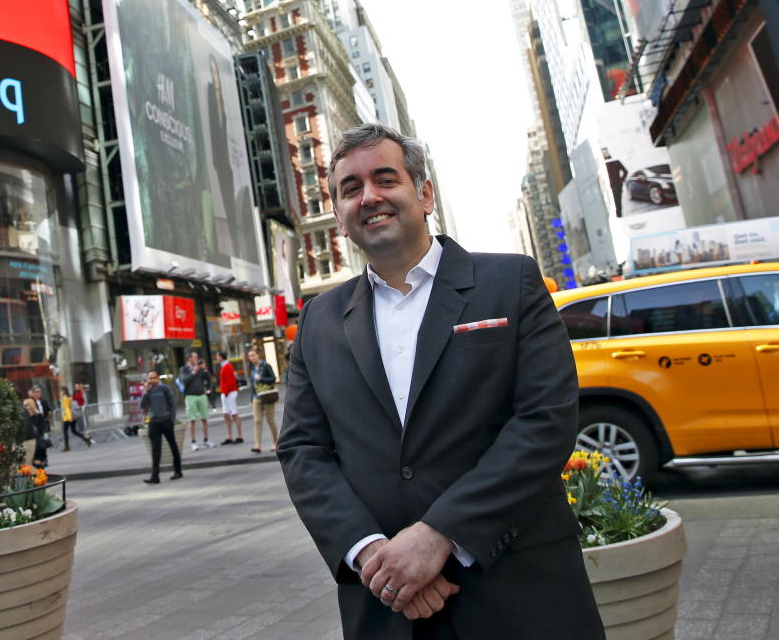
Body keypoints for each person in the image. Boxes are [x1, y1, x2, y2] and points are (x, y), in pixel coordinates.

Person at [277, 123, 603, 638]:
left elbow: (545, 421)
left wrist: (438, 536)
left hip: (519, 594)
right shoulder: (318, 320)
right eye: (351, 188)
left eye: (386, 179)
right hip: (386, 605)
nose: (370, 197)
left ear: (424, 193)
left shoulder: (512, 283)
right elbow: (302, 450)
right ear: (338, 215)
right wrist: (371, 554)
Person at [139, 370, 182, 485]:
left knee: (172, 445)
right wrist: (145, 392)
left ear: (158, 378)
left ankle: (178, 470)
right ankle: (155, 475)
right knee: (155, 449)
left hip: (166, 420)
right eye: (150, 378)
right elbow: (142, 405)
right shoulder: (148, 391)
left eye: (154, 378)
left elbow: (172, 404)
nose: (152, 380)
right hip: (154, 422)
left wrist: (172, 420)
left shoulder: (165, 388)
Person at [181, 353, 216, 451]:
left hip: (201, 395)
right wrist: (193, 372)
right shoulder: (184, 369)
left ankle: (206, 440)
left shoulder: (200, 369)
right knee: (192, 419)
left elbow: (209, 378)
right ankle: (193, 442)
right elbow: (184, 380)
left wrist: (205, 369)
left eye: (197, 357)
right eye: (195, 357)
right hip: (190, 396)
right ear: (189, 358)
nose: (197, 359)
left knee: (204, 418)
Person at [247, 348, 278, 453]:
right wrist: (252, 398)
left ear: (258, 355)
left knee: (270, 419)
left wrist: (261, 378)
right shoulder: (251, 367)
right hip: (256, 396)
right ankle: (258, 445)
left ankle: (275, 442)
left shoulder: (265, 365)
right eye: (250, 356)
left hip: (267, 395)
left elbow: (273, 378)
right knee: (257, 420)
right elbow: (252, 383)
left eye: (253, 355)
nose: (252, 358)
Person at [217, 352, 243, 444]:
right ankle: (229, 436)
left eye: (218, 356)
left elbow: (230, 380)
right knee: (226, 414)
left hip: (229, 392)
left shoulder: (227, 366)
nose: (217, 357)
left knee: (234, 413)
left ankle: (239, 436)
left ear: (221, 357)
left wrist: (226, 392)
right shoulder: (225, 366)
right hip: (226, 392)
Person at [23, 387, 51, 468]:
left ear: (31, 406)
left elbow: (42, 427)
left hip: (38, 442)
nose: (25, 408)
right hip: (34, 442)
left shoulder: (38, 415)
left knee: (38, 463)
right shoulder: (27, 417)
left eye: (26, 406)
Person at [59, 386, 92, 451]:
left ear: (63, 391)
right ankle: (85, 437)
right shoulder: (69, 397)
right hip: (73, 416)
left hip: (67, 417)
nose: (60, 392)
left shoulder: (65, 398)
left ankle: (67, 446)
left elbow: (67, 409)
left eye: (61, 391)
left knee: (65, 432)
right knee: (73, 431)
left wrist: (69, 417)